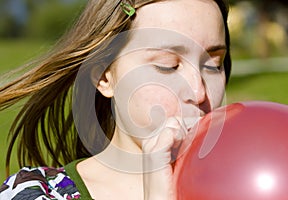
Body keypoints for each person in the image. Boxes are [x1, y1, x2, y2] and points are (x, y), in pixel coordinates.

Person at [0, 0, 231, 199]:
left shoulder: (250, 179)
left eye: (213, 64)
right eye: (167, 65)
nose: (199, 92)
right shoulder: (34, 193)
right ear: (104, 77)